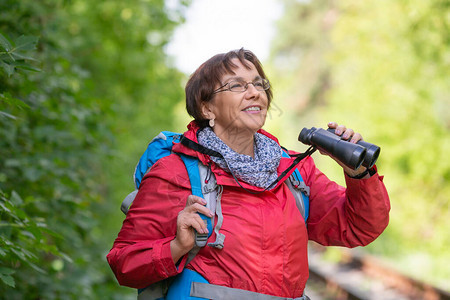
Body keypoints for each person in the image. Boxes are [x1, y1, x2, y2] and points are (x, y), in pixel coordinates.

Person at [107, 48, 390, 299]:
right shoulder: (176, 171)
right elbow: (125, 264)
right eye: (237, 86)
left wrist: (360, 174)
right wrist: (176, 246)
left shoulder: (293, 170)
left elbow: (358, 227)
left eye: (258, 84)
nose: (255, 92)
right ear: (207, 108)